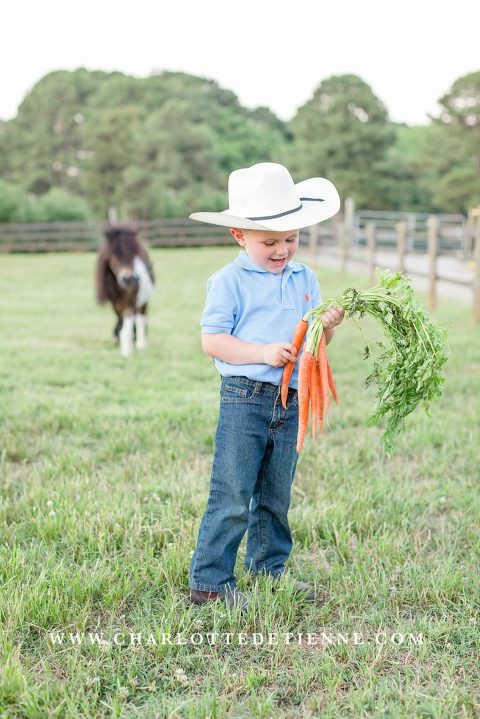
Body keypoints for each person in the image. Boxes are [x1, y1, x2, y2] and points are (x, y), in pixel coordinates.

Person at [187, 163, 345, 612]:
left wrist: (326, 326)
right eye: (270, 241)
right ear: (240, 234)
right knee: (233, 491)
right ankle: (210, 583)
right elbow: (213, 341)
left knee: (276, 495)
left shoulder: (305, 279)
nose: (283, 250)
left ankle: (268, 570)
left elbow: (317, 341)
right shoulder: (228, 281)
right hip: (245, 397)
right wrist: (262, 352)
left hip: (293, 400)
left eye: (291, 239)